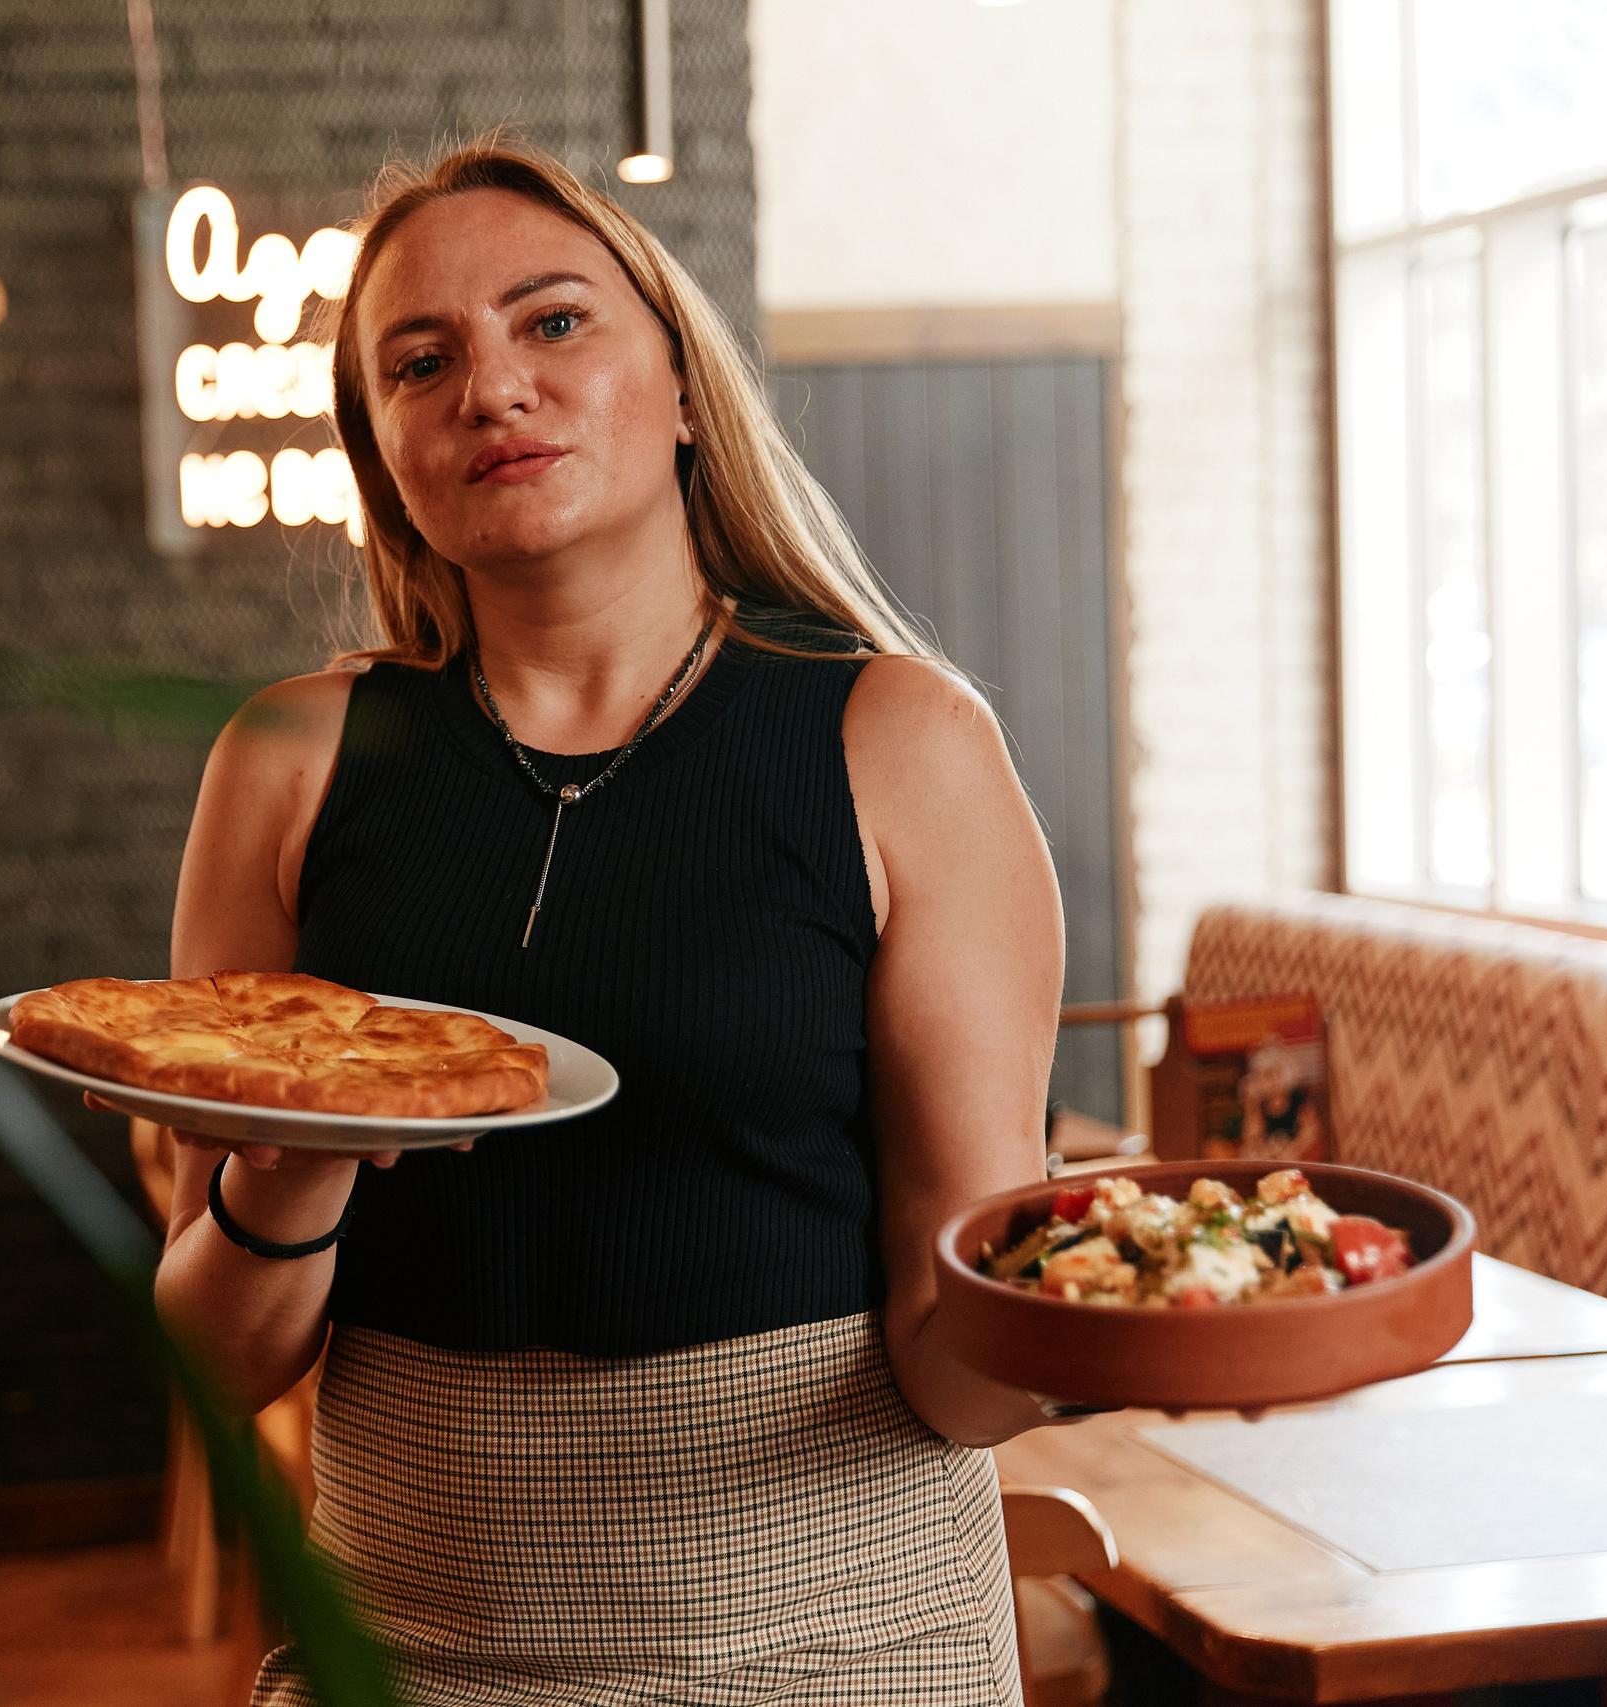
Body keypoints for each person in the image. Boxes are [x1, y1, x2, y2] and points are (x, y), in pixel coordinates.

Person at [151, 140, 1065, 1706]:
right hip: (416, 1649)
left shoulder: (904, 743)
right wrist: (299, 1148)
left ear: (687, 383)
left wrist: (1120, 1327)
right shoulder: (288, 759)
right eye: (421, 361)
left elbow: (958, 1357)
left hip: (839, 1648)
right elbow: (222, 1356)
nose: (492, 388)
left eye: (554, 323)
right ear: (384, 454)